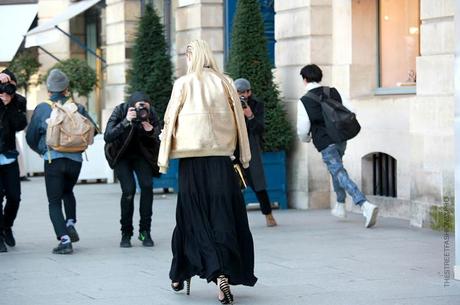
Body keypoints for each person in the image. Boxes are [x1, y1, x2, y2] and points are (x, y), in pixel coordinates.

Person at [158, 39, 257, 304]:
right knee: (223, 216)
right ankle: (221, 274)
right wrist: (244, 156)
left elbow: (170, 119)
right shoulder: (226, 82)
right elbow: (240, 122)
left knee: (190, 216)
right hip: (222, 161)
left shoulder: (184, 83)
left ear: (192, 55)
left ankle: (181, 272)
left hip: (192, 162)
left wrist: (163, 158)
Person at [297, 64, 379, 228]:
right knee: (336, 170)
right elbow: (351, 109)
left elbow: (303, 127)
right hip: (341, 139)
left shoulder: (304, 100)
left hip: (325, 142)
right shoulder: (333, 91)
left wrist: (305, 139)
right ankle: (340, 205)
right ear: (320, 77)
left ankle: (364, 204)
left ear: (304, 80)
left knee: (339, 172)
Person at [26, 69, 97, 254]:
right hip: (75, 161)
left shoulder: (42, 108)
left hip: (53, 159)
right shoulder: (78, 108)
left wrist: (41, 151)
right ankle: (70, 223)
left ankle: (64, 240)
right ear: (66, 89)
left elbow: (31, 136)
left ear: (49, 90)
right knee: (68, 191)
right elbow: (93, 130)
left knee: (54, 202)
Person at [104, 91, 161, 248]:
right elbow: (108, 136)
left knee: (147, 187)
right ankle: (126, 233)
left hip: (142, 156)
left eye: (146, 106)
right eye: (139, 107)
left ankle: (145, 232)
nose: (142, 110)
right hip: (121, 156)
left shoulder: (151, 113)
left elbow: (160, 137)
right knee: (128, 191)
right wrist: (126, 121)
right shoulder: (120, 110)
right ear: (131, 106)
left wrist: (150, 130)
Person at [234, 78, 277, 227]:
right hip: (234, 146)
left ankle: (268, 213)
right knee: (234, 184)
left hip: (251, 146)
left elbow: (259, 128)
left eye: (244, 92)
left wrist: (250, 115)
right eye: (238, 92)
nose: (241, 96)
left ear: (249, 92)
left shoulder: (257, 105)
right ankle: (235, 219)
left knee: (258, 181)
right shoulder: (229, 105)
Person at [0, 69, 28, 252]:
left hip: (9, 156)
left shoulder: (18, 100)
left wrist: (9, 104)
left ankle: (6, 226)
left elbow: (20, 125)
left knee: (14, 197)